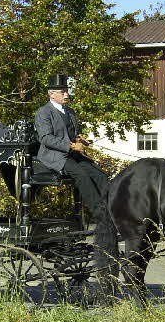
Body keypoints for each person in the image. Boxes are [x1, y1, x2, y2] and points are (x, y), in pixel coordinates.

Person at [34, 74, 109, 221]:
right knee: (82, 176)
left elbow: (75, 133)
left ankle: (112, 207)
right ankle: (100, 215)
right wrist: (72, 146)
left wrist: (81, 139)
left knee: (100, 175)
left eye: (66, 91)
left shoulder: (70, 111)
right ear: (51, 94)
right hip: (54, 155)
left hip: (72, 154)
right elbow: (46, 138)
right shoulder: (43, 112)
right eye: (63, 92)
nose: (67, 94)